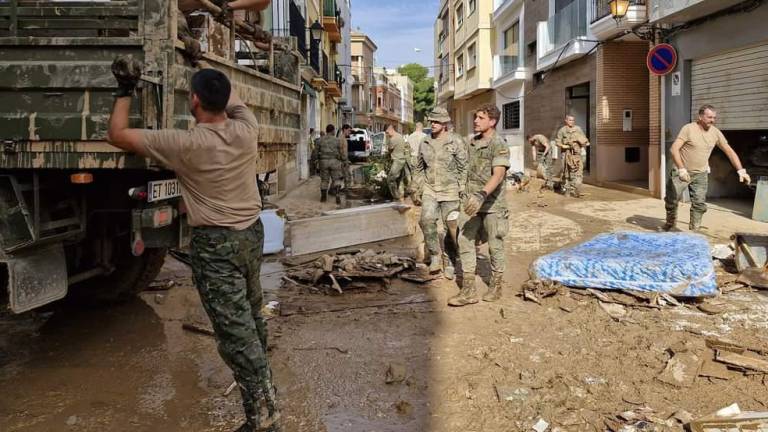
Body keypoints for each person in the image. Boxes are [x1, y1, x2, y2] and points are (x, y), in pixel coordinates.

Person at [107, 57, 279, 432]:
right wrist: (205, 69)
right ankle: (260, 386)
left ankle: (265, 418)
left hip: (216, 244)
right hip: (251, 234)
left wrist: (124, 90)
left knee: (235, 335)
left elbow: (118, 135)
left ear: (195, 101)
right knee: (249, 315)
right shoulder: (246, 129)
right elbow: (231, 97)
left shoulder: (184, 143)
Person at [449, 103, 510, 306]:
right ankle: (468, 291)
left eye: (481, 117)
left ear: (492, 121)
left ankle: (496, 285)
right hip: (471, 203)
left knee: (495, 245)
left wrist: (482, 194)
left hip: (492, 204)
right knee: (464, 240)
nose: (475, 120)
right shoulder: (471, 143)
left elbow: (499, 174)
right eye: (475, 117)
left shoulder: (499, 144)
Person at [664, 104, 751, 232]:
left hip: (701, 173)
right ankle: (670, 224)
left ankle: (695, 230)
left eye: (714, 118)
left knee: (699, 203)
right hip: (681, 171)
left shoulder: (715, 133)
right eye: (709, 117)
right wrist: (682, 169)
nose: (712, 120)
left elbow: (729, 151)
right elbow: (674, 149)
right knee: (672, 201)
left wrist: (741, 170)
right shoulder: (688, 129)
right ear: (700, 116)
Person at [412, 108, 467, 279]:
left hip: (450, 191)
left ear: (444, 123)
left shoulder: (456, 141)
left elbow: (463, 166)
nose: (432, 124)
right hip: (430, 189)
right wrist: (416, 187)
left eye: (436, 122)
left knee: (451, 228)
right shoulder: (425, 142)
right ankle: (435, 255)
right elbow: (419, 168)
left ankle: (450, 260)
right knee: (426, 220)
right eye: (431, 121)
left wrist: (462, 188)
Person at [311, 124, 347, 204]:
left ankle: (323, 197)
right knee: (336, 179)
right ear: (333, 131)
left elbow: (315, 152)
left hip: (323, 162)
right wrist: (344, 161)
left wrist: (314, 160)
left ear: (327, 130)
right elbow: (341, 152)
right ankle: (337, 194)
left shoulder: (319, 140)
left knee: (324, 180)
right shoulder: (337, 140)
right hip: (335, 162)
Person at [555, 115, 589, 197]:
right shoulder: (562, 130)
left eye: (573, 120)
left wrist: (581, 143)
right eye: (570, 120)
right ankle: (567, 189)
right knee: (566, 171)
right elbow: (558, 142)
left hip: (577, 154)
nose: (572, 122)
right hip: (566, 153)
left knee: (578, 171)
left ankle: (576, 189)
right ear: (566, 120)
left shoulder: (578, 129)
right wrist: (563, 146)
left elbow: (585, 140)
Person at [385, 124, 411, 202]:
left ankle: (396, 197)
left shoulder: (393, 139)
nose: (387, 134)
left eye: (387, 132)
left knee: (390, 179)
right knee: (399, 179)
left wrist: (388, 139)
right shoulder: (400, 136)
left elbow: (389, 149)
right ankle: (401, 195)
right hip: (402, 160)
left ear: (390, 129)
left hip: (397, 160)